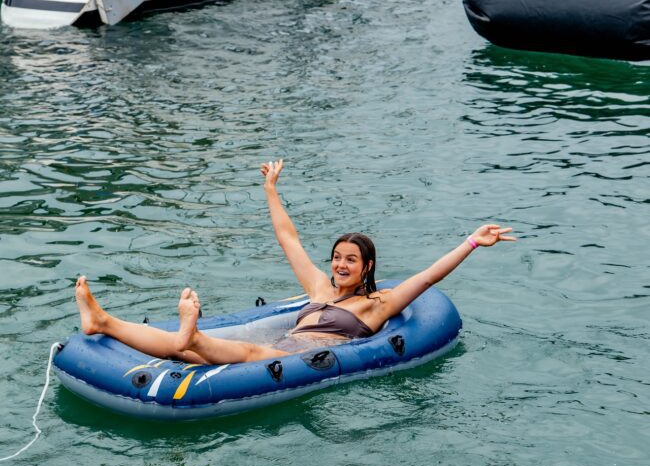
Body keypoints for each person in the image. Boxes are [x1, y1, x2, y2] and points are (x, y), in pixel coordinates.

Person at [75, 160, 516, 366]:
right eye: (337, 258)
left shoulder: (378, 304)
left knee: (219, 349)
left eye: (351, 261)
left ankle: (190, 333)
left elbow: (428, 275)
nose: (341, 265)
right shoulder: (320, 289)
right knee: (182, 347)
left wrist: (472, 242)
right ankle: (102, 322)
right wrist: (270, 189)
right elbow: (288, 238)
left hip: (305, 356)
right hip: (286, 345)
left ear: (367, 268)